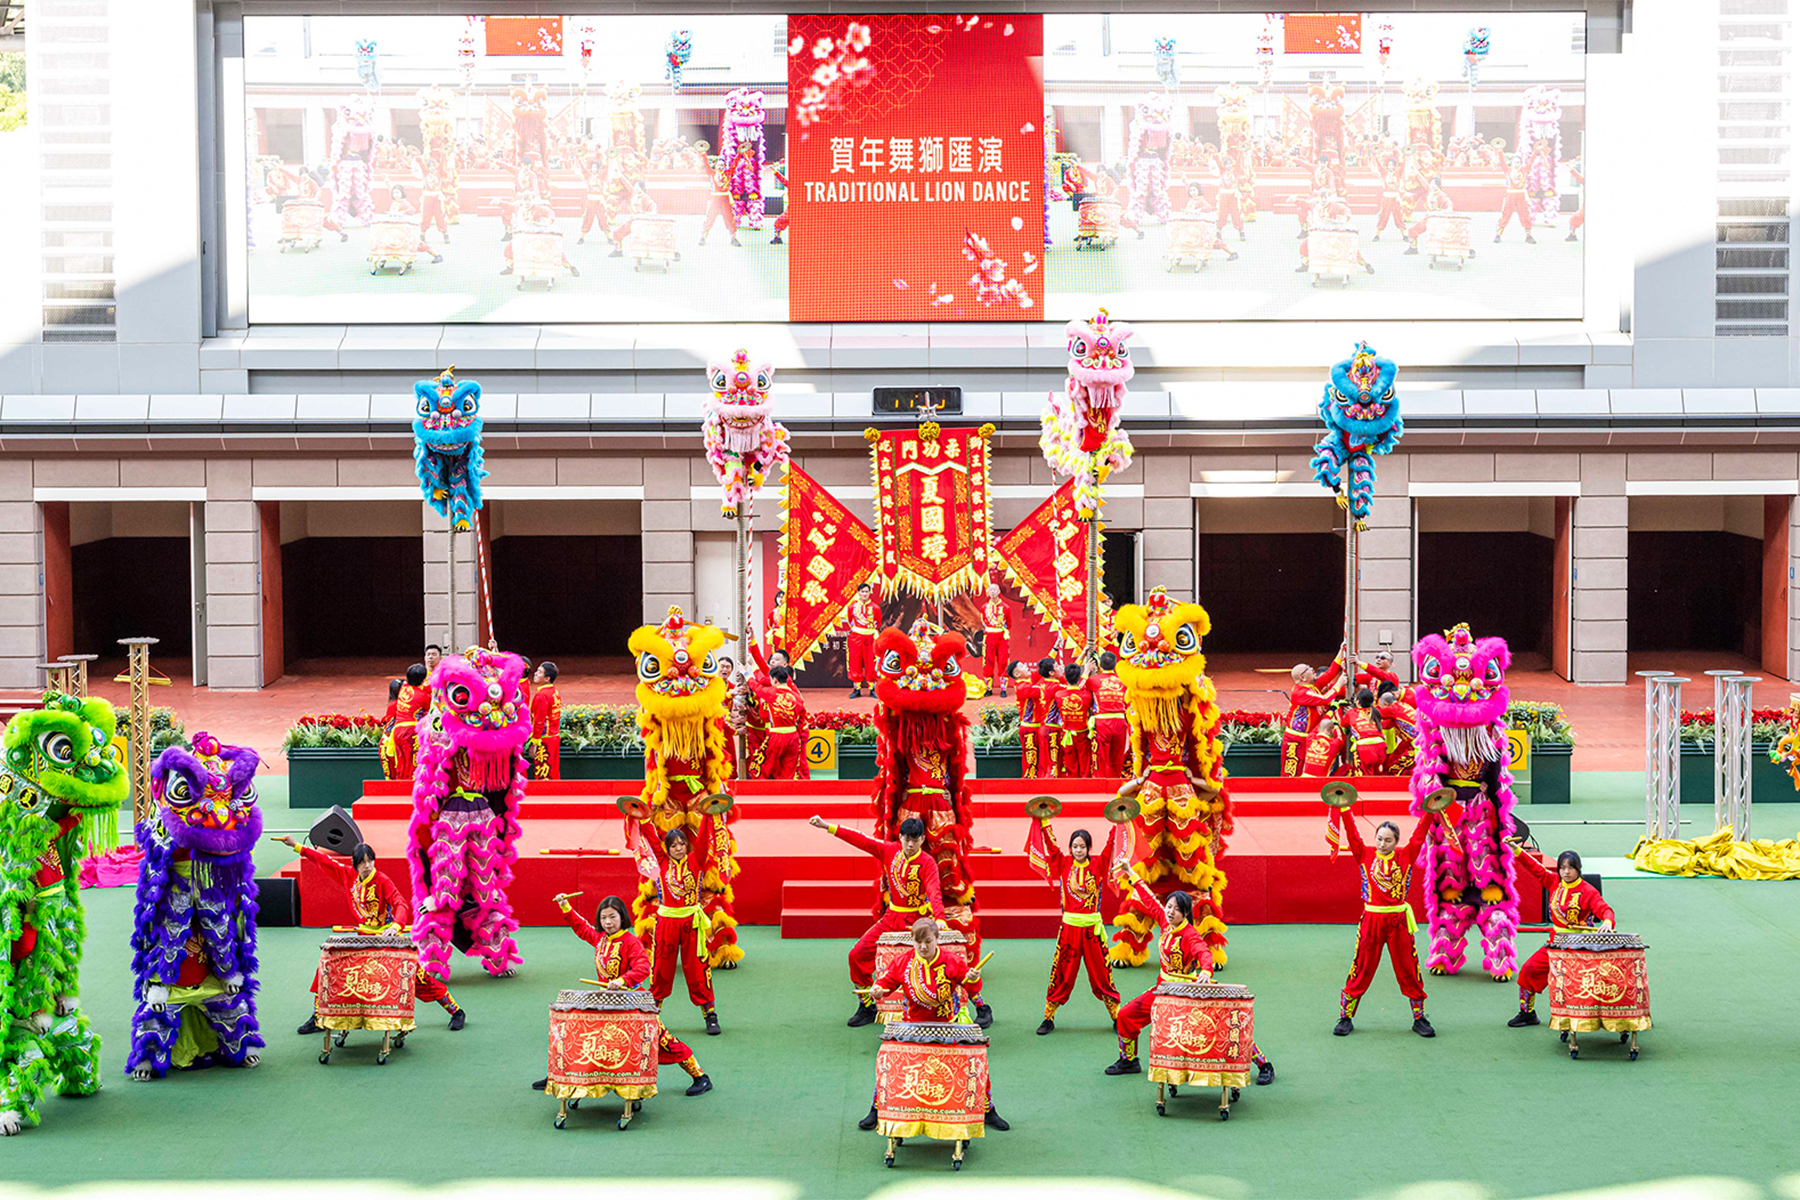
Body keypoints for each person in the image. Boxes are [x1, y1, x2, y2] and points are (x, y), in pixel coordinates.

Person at [809, 814, 993, 1029]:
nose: (910, 844)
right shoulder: (889, 850)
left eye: (915, 840)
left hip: (920, 921)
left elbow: (934, 892)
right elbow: (861, 840)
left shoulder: (927, 863)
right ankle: (867, 1005)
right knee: (856, 955)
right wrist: (827, 826)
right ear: (901, 837)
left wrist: (940, 920)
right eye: (906, 839)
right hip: (891, 919)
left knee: (951, 963)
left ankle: (981, 1007)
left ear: (922, 839)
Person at [276, 837, 465, 1033]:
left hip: (387, 939)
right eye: (362, 862)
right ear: (355, 864)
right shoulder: (347, 875)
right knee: (328, 965)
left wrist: (396, 926)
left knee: (417, 978)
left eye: (370, 861)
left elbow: (401, 903)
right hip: (362, 938)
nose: (367, 866)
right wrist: (296, 846)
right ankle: (318, 1016)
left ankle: (455, 1011)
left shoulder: (382, 881)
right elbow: (323, 860)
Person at [529, 894, 712, 1096]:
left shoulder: (631, 942)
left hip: (633, 1003)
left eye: (612, 917)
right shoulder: (600, 939)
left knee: (662, 1040)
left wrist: (623, 980)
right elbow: (582, 929)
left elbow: (643, 968)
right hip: (606, 1003)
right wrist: (565, 907)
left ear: (622, 917)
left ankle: (700, 1076)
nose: (607, 922)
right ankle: (559, 1075)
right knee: (576, 1034)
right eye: (603, 918)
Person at [1107, 869, 1272, 1084]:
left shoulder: (1190, 935)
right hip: (1162, 991)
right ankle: (1128, 1060)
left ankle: (1263, 1064)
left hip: (1187, 995)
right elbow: (1148, 898)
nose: (1169, 912)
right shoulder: (1165, 923)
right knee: (1126, 1015)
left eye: (1176, 909)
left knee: (1223, 1028)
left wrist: (1205, 971)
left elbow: (1203, 952)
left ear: (1185, 914)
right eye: (1168, 907)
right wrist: (1130, 872)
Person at [856, 917, 1008, 1132]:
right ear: (912, 941)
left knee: (975, 1062)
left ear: (937, 939)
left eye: (928, 941)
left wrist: (972, 977)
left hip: (949, 1024)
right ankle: (876, 1109)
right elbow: (887, 981)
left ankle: (987, 1110)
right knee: (889, 1063)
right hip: (913, 1025)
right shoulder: (903, 962)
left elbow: (969, 982)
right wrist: (879, 988)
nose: (924, 947)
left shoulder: (951, 960)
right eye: (919, 942)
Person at [1330, 809, 1439, 1037]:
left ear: (1396, 842)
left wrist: (1430, 811)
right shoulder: (1364, 854)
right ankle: (1345, 1017)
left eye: (1388, 840)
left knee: (1409, 968)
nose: (1382, 844)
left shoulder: (1406, 856)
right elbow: (1353, 836)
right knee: (1362, 966)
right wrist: (1345, 809)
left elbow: (1419, 835)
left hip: (1398, 921)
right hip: (1372, 920)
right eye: (1379, 839)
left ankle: (1419, 1018)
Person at [1024, 816, 1119, 1034]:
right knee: (1062, 972)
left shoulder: (1099, 864)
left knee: (1102, 974)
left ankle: (1115, 1015)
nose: (1078, 850)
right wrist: (1044, 821)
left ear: (1088, 848)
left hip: (1092, 931)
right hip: (1069, 930)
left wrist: (1119, 821)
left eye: (1082, 846)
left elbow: (1111, 845)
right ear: (1070, 848)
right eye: (1075, 846)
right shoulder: (1063, 863)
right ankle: (1049, 1018)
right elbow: (1051, 845)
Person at [1505, 842, 1614, 1027]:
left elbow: (1605, 910)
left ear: (1578, 869)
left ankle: (1600, 1014)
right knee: (1529, 969)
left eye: (1571, 868)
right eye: (1562, 867)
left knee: (1585, 981)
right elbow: (1534, 867)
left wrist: (1607, 922)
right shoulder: (1553, 881)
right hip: (1555, 943)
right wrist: (1516, 850)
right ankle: (1527, 1012)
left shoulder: (1588, 891)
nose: (1566, 872)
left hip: (1580, 946)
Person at [629, 820, 721, 1035]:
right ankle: (652, 1016)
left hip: (691, 923)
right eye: (673, 845)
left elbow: (703, 842)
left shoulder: (696, 860)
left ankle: (710, 1014)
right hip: (667, 923)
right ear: (667, 849)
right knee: (661, 968)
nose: (678, 848)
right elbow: (651, 839)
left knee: (698, 969)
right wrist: (641, 818)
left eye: (681, 844)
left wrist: (708, 815)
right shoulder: (661, 862)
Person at [1281, 658, 1344, 776]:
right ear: (1302, 678)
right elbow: (1325, 699)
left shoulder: (1312, 687)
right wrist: (1339, 684)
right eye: (1308, 668)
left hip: (1309, 736)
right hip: (1296, 739)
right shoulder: (1301, 693)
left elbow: (1329, 674)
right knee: (1292, 771)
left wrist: (1341, 652)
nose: (1312, 669)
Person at [749, 664, 809, 780]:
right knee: (789, 771)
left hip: (776, 736)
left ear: (775, 680)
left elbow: (756, 687)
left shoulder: (771, 693)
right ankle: (787, 795)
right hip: (793, 737)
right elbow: (801, 721)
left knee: (763, 766)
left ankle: (761, 792)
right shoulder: (798, 698)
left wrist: (746, 673)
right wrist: (797, 735)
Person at [1084, 652, 1131, 777]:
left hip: (1102, 723)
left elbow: (1081, 693)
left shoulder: (1093, 680)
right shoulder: (1124, 680)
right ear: (1115, 664)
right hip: (1120, 721)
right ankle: (1115, 785)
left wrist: (1086, 672)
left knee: (1101, 757)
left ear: (1100, 664)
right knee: (1117, 757)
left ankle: (1100, 785)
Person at [1054, 662, 1093, 777]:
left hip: (1067, 735)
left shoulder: (1059, 695)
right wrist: (1086, 673)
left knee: (1070, 764)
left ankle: (1072, 786)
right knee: (1085, 762)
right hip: (1082, 734)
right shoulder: (1087, 696)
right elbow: (1081, 690)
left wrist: (1084, 674)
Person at [529, 660, 562, 780]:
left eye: (539, 672)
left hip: (545, 739)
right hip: (554, 736)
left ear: (547, 678)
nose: (535, 674)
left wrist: (534, 743)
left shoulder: (541, 695)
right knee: (553, 771)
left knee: (544, 772)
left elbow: (539, 721)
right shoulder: (554, 692)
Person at [845, 581, 879, 698]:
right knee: (855, 662)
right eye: (862, 592)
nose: (864, 594)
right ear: (858, 593)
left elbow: (878, 622)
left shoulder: (875, 608)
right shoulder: (852, 607)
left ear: (870, 593)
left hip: (870, 637)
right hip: (855, 637)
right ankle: (856, 688)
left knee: (871, 662)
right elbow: (850, 621)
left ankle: (872, 688)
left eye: (866, 592)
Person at [1345, 688, 1387, 774]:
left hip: (1365, 749)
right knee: (1376, 773)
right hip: (1381, 746)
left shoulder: (1351, 712)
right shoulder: (1375, 712)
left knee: (1364, 777)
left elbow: (1343, 724)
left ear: (1357, 702)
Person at [1013, 660, 1043, 778]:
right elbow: (1046, 691)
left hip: (1036, 728)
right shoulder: (1023, 687)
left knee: (1039, 760)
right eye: (1021, 666)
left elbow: (1041, 670)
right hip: (1029, 730)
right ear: (1016, 674)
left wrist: (1055, 648)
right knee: (1031, 761)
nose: (1026, 666)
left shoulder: (1027, 682)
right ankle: (1029, 784)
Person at [1035, 659, 1063, 780]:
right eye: (1057, 666)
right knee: (1053, 766)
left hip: (1043, 727)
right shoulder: (1055, 687)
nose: (1061, 667)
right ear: (1051, 672)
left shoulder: (1042, 684)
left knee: (1045, 766)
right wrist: (1086, 672)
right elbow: (1076, 689)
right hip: (1052, 729)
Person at [980, 582, 1010, 695]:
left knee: (1003, 661)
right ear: (988, 592)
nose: (992, 592)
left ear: (998, 592)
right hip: (989, 636)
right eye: (990, 590)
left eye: (994, 589)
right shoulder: (984, 607)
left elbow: (1009, 623)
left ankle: (1003, 688)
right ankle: (989, 688)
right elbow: (983, 621)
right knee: (987, 661)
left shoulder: (1006, 607)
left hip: (1001, 637)